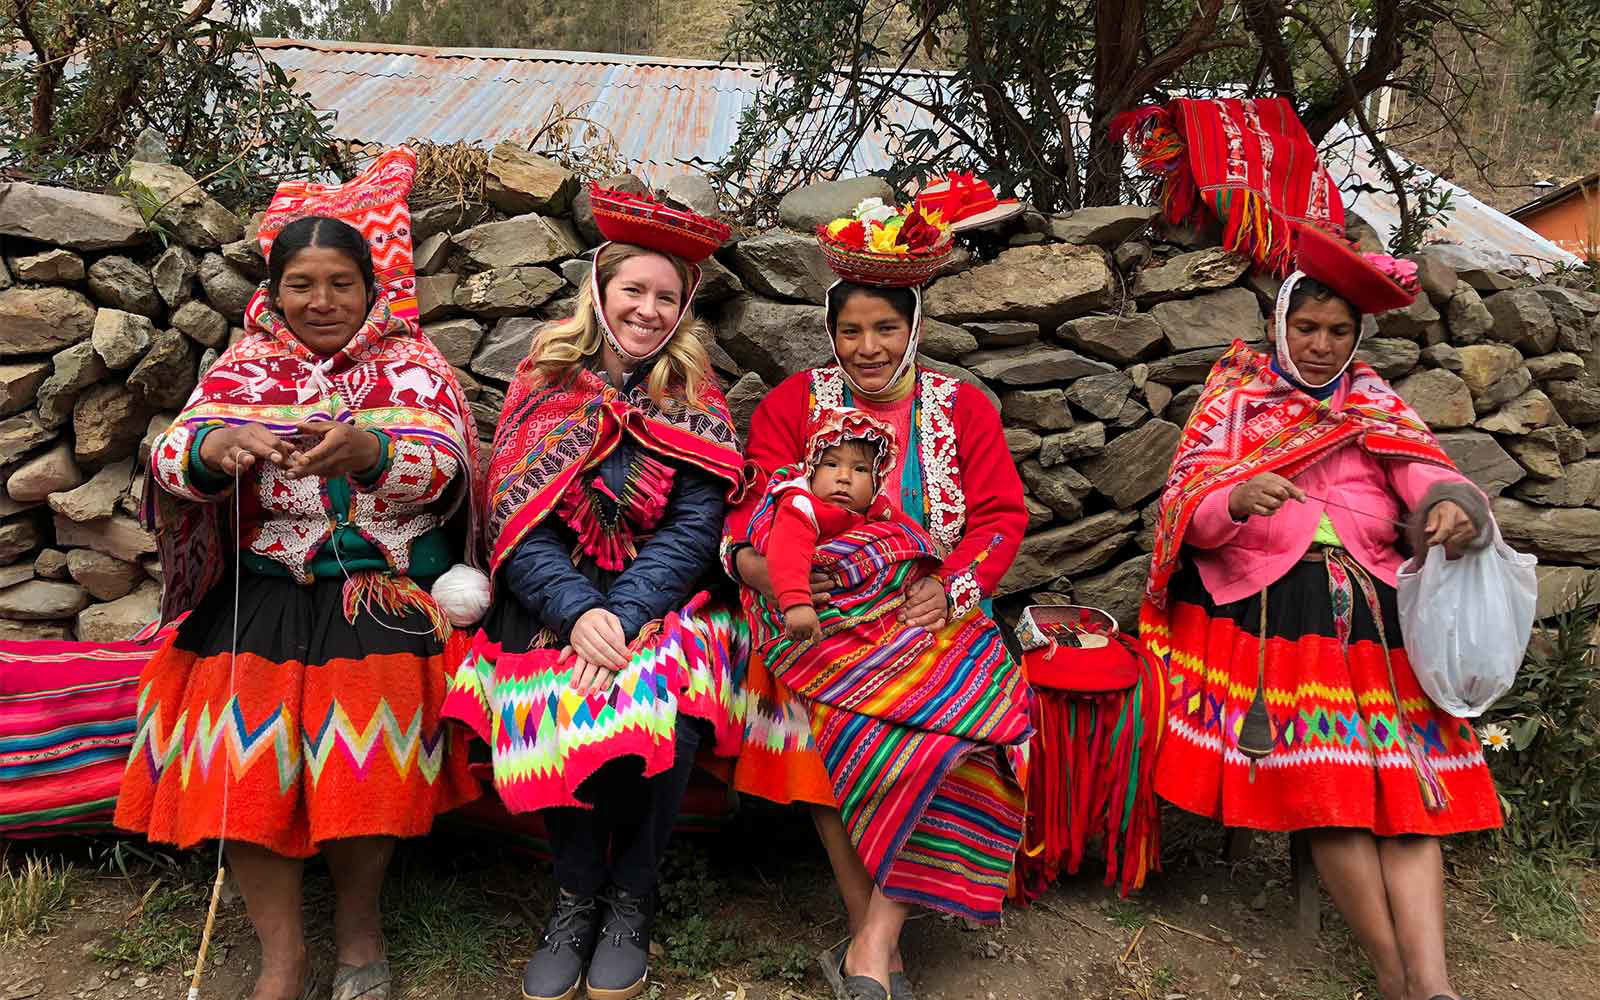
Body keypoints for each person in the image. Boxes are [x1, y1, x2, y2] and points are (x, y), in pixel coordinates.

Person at [117, 203, 482, 1000]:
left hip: (379, 588)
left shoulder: (415, 364)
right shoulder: (247, 365)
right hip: (269, 582)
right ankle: (283, 958)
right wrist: (221, 447)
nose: (322, 301)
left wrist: (373, 450)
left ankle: (359, 934)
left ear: (370, 288)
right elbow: (174, 460)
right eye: (302, 285)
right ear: (275, 293)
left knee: (368, 760)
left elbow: (447, 471)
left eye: (340, 284)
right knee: (236, 759)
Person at [1142, 225, 1501, 1000]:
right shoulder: (1235, 396)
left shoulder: (1373, 401)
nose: (1319, 345)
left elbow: (1431, 474)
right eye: (1306, 328)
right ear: (1280, 325)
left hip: (1377, 607)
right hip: (1270, 604)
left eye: (1338, 331)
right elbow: (1186, 504)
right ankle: (1392, 971)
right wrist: (1235, 497)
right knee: (1331, 791)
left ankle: (1433, 986)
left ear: (1358, 336)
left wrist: (1451, 511)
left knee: (1410, 797)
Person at [441, 186, 747, 1000]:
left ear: (685, 310)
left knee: (665, 698)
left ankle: (632, 896)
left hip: (661, 596)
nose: (648, 311)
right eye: (633, 292)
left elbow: (695, 523)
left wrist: (628, 611)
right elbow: (514, 515)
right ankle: (575, 896)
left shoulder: (695, 396)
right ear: (600, 293)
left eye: (666, 297)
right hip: (553, 596)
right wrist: (577, 612)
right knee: (547, 699)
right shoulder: (546, 378)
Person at [722, 202, 1030, 1000]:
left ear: (914, 326)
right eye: (852, 331)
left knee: (955, 736)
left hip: (930, 609)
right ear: (831, 333)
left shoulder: (961, 407)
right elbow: (757, 504)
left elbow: (1000, 516)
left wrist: (948, 586)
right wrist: (761, 570)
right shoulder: (795, 404)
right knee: (836, 732)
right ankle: (874, 939)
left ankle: (872, 943)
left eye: (885, 329)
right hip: (819, 614)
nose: (868, 348)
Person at [763, 411, 907, 641]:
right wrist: (796, 604)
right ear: (811, 469)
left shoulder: (877, 506)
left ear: (877, 478)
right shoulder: (802, 506)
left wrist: (935, 554)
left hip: (873, 610)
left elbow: (912, 537)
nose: (844, 477)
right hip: (813, 608)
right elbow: (787, 552)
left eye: (860, 469)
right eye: (831, 464)